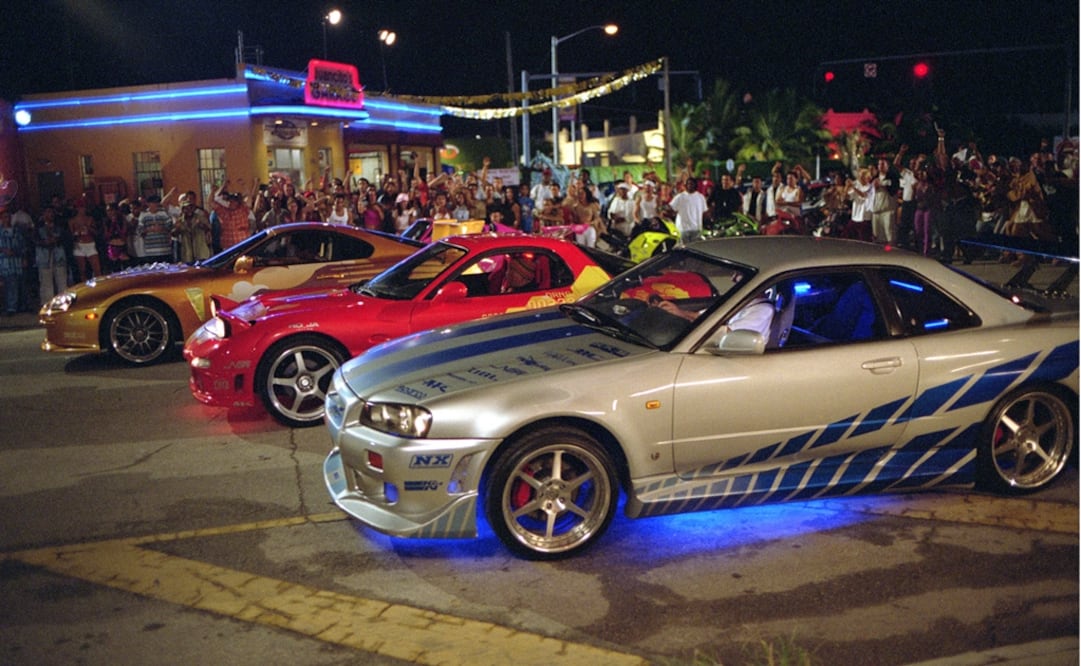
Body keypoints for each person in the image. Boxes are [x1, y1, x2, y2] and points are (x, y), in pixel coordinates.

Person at [35, 207, 68, 305]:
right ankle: (47, 303)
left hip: (58, 255)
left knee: (62, 280)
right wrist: (44, 242)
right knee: (46, 281)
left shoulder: (59, 225)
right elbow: (34, 240)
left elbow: (65, 238)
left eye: (51, 212)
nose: (50, 214)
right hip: (44, 256)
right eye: (47, 212)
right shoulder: (38, 227)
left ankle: (63, 302)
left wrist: (57, 240)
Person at [68, 198, 102, 281]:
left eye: (83, 207)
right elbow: (70, 236)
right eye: (80, 207)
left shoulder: (90, 219)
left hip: (90, 244)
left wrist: (89, 228)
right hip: (79, 245)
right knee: (82, 271)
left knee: (97, 269)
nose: (82, 209)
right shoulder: (72, 221)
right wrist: (77, 233)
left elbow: (96, 232)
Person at [212, 180, 253, 250]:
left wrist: (244, 186)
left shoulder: (243, 210)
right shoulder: (224, 211)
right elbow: (212, 201)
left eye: (234, 201)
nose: (232, 202)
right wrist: (213, 190)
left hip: (242, 245)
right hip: (228, 247)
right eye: (230, 201)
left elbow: (249, 198)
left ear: (237, 202)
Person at [173, 194, 212, 263]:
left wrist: (201, 225)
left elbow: (209, 229)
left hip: (201, 251)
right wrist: (178, 228)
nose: (189, 210)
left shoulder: (200, 217)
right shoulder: (180, 220)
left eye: (191, 207)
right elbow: (173, 234)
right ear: (182, 209)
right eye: (186, 208)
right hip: (187, 253)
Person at [0, 208, 25, 315]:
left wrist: (20, 254)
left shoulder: (16, 231)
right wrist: (3, 250)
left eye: (8, 217)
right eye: (5, 217)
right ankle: (8, 306)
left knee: (16, 284)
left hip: (16, 262)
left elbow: (23, 245)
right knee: (6, 285)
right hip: (4, 263)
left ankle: (15, 306)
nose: (7, 219)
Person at [668, 178, 707, 245]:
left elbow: (704, 212)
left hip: (696, 229)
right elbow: (671, 208)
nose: (690, 185)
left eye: (692, 184)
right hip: (682, 229)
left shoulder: (701, 197)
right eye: (688, 184)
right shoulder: (680, 197)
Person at [137, 194, 174, 263]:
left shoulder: (164, 213)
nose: (156, 205)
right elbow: (139, 230)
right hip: (150, 250)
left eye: (157, 203)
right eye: (153, 203)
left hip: (165, 249)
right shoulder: (143, 215)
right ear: (148, 204)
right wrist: (149, 229)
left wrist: (162, 228)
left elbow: (170, 226)